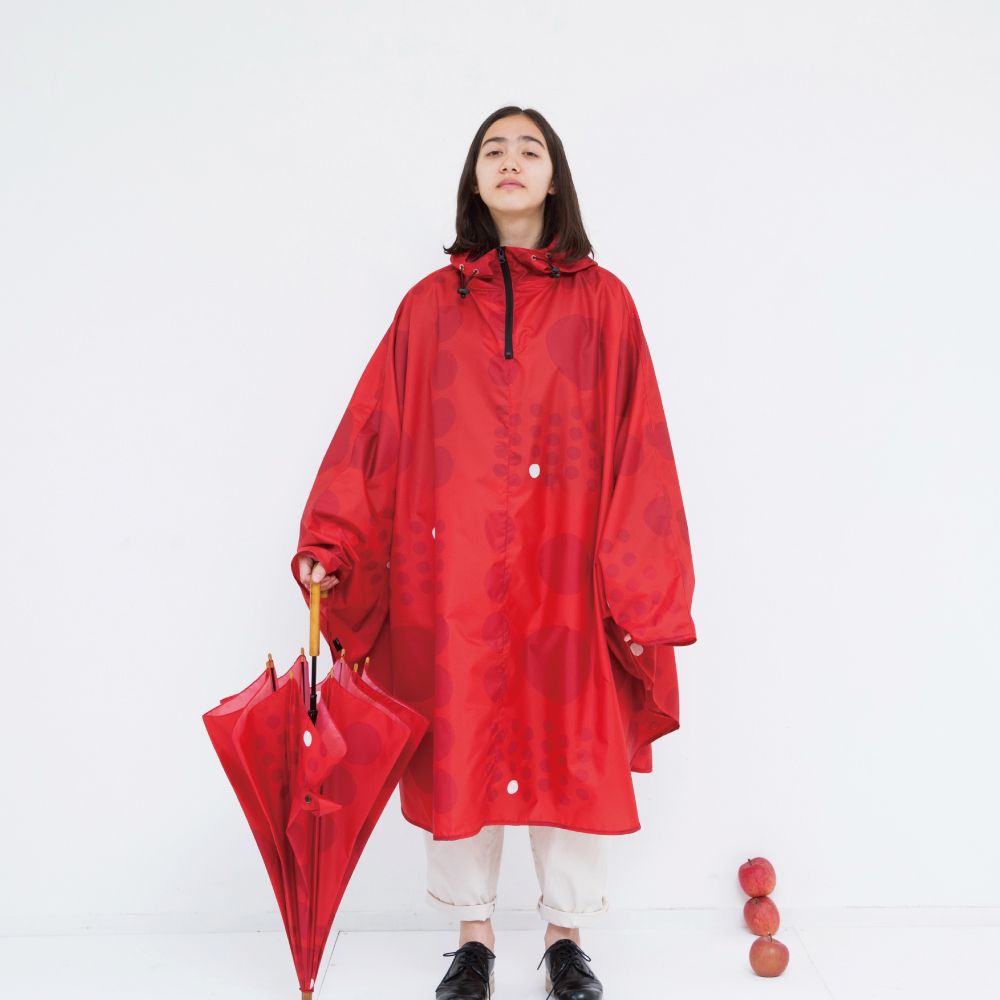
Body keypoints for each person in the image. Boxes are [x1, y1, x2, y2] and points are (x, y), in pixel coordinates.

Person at [294, 106, 697, 1000]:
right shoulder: (428, 309)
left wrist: (642, 581)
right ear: (475, 179)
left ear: (555, 178)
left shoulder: (605, 304)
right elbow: (375, 432)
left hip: (566, 572)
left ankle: (565, 941)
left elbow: (640, 442)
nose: (510, 161)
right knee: (460, 734)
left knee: (571, 743)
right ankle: (471, 939)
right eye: (493, 150)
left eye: (530, 149)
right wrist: (334, 539)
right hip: (457, 575)